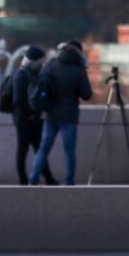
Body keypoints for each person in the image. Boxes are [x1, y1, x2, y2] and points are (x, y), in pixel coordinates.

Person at [29, 39, 93, 186]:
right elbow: (86, 95)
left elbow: (42, 84)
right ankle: (69, 181)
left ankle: (33, 178)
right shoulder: (78, 70)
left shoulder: (51, 65)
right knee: (69, 151)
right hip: (69, 116)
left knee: (43, 148)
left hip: (50, 114)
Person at [10, 46, 58, 186]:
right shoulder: (21, 75)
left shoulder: (33, 74)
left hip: (34, 118)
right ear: (33, 61)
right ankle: (23, 179)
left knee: (39, 148)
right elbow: (18, 100)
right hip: (23, 119)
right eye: (40, 61)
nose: (42, 64)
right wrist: (29, 114)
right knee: (23, 149)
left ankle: (48, 178)